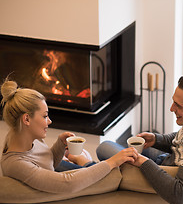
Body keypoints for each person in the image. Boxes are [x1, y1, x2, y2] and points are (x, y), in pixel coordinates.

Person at [97, 74, 183, 204]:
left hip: (162, 170)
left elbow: (179, 196)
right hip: (170, 157)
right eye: (173, 102)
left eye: (178, 106)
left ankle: (91, 168)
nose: (172, 109)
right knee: (128, 147)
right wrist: (156, 140)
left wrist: (144, 163)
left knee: (104, 148)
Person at [0, 78, 139, 193]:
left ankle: (85, 162)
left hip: (59, 179)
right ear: (26, 119)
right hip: (64, 198)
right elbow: (67, 184)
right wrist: (112, 162)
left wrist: (60, 145)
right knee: (113, 170)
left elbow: (47, 164)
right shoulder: (16, 164)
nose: (49, 121)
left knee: (101, 156)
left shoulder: (24, 139)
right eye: (45, 116)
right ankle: (86, 162)